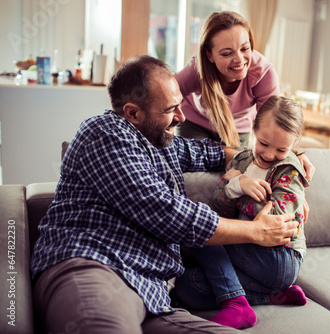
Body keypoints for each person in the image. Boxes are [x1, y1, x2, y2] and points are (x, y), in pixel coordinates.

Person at [30, 55, 299, 334]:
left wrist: (285, 163)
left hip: (154, 297)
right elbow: (167, 213)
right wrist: (255, 231)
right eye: (171, 109)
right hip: (97, 269)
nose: (181, 116)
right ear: (133, 113)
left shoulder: (162, 142)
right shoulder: (104, 133)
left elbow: (216, 154)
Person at [174, 96, 309, 329]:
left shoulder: (289, 171)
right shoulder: (242, 160)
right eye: (264, 143)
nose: (268, 155)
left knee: (200, 224)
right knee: (188, 286)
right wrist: (238, 184)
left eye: (281, 149)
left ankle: (235, 303)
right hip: (248, 252)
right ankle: (269, 297)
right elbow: (220, 206)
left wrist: (237, 188)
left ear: (293, 145)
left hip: (279, 258)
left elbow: (274, 220)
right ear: (254, 127)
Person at [175, 11, 315, 182]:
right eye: (227, 53)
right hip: (195, 124)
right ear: (209, 55)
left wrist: (294, 156)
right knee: (190, 168)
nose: (239, 60)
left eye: (245, 49)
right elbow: (165, 96)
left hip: (237, 130)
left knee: (244, 168)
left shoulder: (264, 73)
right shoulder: (196, 69)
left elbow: (275, 123)